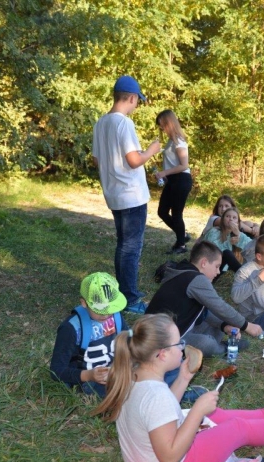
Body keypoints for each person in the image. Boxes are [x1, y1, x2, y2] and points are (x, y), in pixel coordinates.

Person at [92, 314, 264, 462]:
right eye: (179, 343)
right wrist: (197, 411)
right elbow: (170, 457)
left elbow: (160, 415)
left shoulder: (134, 377)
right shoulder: (155, 395)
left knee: (213, 415)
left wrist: (183, 378)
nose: (183, 347)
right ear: (162, 354)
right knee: (236, 428)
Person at [92, 75, 161, 313]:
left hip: (113, 194)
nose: (136, 105)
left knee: (123, 245)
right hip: (131, 195)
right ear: (131, 98)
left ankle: (125, 292)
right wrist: (151, 151)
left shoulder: (101, 123)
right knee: (131, 248)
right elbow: (133, 160)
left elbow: (96, 159)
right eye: (137, 101)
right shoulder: (124, 124)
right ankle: (130, 300)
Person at [145, 241, 263, 357]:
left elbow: (204, 312)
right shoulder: (196, 279)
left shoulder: (184, 272)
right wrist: (246, 325)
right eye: (217, 266)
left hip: (177, 327)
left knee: (220, 324)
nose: (218, 272)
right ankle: (223, 348)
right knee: (207, 343)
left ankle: (213, 342)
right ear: (204, 263)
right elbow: (220, 306)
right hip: (164, 338)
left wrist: (224, 325)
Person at [49, 272, 127, 398]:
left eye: (111, 308)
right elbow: (56, 370)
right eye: (100, 309)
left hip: (115, 371)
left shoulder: (116, 316)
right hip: (89, 380)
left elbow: (129, 342)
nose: (106, 314)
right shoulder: (71, 328)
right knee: (122, 396)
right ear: (84, 303)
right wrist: (88, 375)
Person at [154, 110, 192, 255]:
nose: (161, 128)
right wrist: (164, 175)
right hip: (173, 180)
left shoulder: (179, 141)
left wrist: (165, 173)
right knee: (162, 211)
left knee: (176, 213)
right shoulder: (171, 141)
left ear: (169, 123)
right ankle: (182, 235)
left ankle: (181, 245)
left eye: (162, 124)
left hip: (182, 180)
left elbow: (184, 165)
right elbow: (172, 163)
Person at [202, 208, 252, 273]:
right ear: (223, 219)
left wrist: (239, 235)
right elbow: (214, 252)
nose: (231, 219)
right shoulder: (214, 231)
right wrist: (228, 242)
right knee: (227, 253)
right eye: (228, 216)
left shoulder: (238, 234)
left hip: (223, 268)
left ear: (238, 222)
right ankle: (242, 275)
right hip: (210, 264)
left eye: (234, 218)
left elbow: (252, 246)